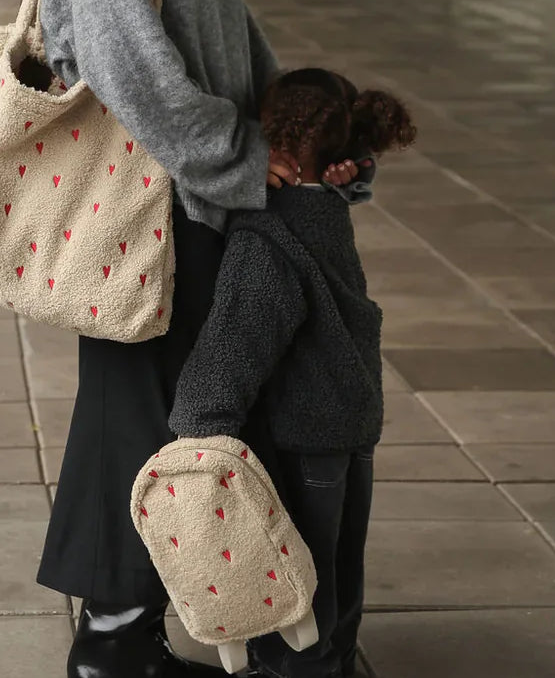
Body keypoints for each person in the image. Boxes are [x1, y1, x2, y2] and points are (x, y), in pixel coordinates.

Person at [33, 0, 361, 678]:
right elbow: (127, 65)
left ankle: (125, 634)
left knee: (155, 416)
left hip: (189, 205)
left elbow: (241, 53)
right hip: (148, 215)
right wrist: (239, 155)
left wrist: (306, 140)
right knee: (138, 421)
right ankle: (112, 640)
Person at [169, 68, 417, 678]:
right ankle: (336, 665)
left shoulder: (267, 235)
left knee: (295, 583)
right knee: (338, 568)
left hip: (301, 437)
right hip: (351, 424)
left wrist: (196, 427)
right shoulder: (328, 209)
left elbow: (237, 339)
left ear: (271, 139)